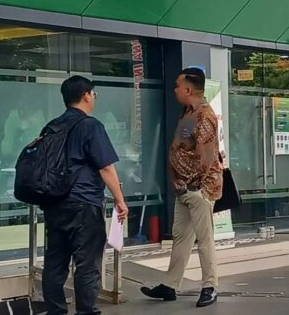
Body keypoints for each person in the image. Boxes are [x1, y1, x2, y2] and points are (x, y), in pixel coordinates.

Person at [42, 76, 128, 315]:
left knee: (55, 263)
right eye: (94, 94)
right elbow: (106, 167)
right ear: (87, 95)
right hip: (84, 203)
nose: (94, 98)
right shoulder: (91, 126)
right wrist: (120, 200)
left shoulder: (52, 126)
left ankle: (56, 311)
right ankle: (86, 311)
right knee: (87, 263)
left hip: (54, 203)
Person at [142, 68, 223, 308]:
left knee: (204, 239)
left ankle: (210, 286)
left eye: (178, 85)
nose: (175, 89)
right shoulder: (188, 112)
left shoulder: (204, 116)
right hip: (184, 189)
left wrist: (191, 185)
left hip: (198, 190)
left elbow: (206, 158)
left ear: (188, 89)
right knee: (181, 238)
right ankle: (170, 285)